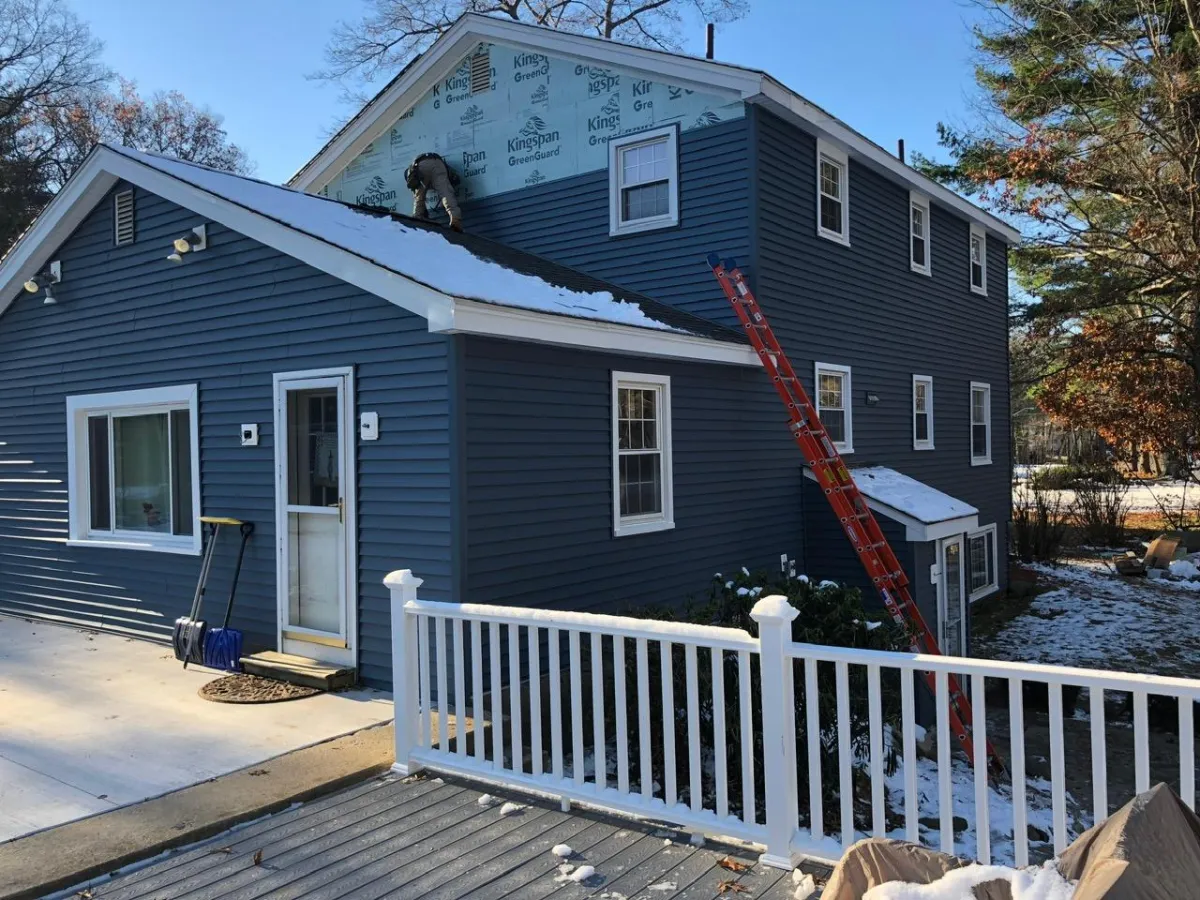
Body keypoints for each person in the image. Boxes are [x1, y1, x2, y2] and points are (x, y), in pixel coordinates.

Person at [405, 152, 463, 232]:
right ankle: (455, 219)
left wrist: (421, 213)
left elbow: (418, 196)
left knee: (419, 196)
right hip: (438, 163)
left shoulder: (411, 171)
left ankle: (417, 221)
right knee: (446, 193)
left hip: (420, 165)